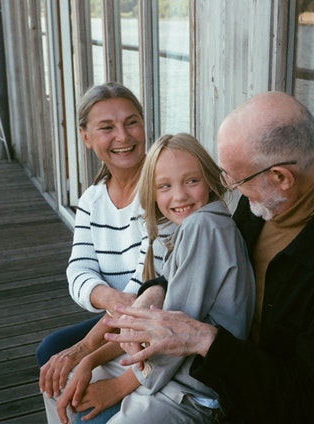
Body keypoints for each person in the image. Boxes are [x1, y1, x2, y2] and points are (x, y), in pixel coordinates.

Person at [104, 92, 314, 423]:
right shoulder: (263, 202)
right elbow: (208, 270)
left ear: (281, 178)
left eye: (234, 178)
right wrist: (156, 289)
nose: (227, 187)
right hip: (214, 383)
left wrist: (205, 341)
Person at [44, 133, 255, 423]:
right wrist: (90, 358)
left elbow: (172, 336)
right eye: (165, 186)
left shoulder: (204, 227)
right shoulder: (182, 229)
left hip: (189, 390)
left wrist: (116, 388)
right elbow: (146, 319)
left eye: (191, 181)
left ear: (210, 179)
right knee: (62, 382)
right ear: (152, 194)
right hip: (162, 370)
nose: (179, 195)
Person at [36, 82, 168, 407]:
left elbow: (147, 291)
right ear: (86, 137)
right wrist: (109, 296)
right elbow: (79, 271)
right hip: (119, 316)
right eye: (107, 127)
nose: (123, 137)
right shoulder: (93, 199)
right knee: (50, 350)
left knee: (71, 362)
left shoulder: (165, 190)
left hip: (159, 316)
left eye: (131, 122)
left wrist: (85, 348)